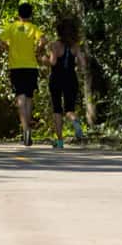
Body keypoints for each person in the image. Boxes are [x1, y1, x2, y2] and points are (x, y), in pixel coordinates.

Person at [0, 3, 45, 146]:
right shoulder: (33, 28)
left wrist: (9, 49)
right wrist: (37, 51)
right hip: (31, 66)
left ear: (18, 14)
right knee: (29, 97)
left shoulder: (11, 27)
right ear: (30, 15)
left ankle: (25, 128)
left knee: (20, 97)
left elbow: (0, 43)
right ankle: (28, 129)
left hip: (16, 66)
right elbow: (43, 40)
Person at [47, 17, 86, 149]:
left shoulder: (55, 45)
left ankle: (60, 142)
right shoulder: (75, 46)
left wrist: (43, 59)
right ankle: (74, 120)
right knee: (69, 109)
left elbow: (52, 62)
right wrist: (79, 68)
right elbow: (83, 63)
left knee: (57, 109)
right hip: (71, 78)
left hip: (56, 79)